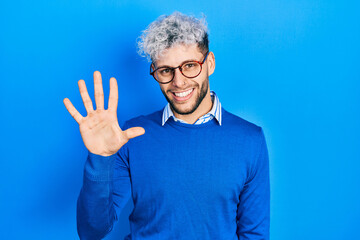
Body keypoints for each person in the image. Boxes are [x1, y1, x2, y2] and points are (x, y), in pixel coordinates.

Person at [63, 11, 270, 240]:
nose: (178, 81)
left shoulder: (250, 140)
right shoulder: (131, 135)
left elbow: (254, 235)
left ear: (209, 63)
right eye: (165, 71)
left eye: (190, 66)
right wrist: (100, 158)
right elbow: (91, 231)